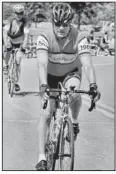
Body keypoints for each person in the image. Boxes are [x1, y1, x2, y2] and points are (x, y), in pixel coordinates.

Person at [35, 3, 101, 170]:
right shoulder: (44, 37)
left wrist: (93, 85)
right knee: (46, 113)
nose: (62, 28)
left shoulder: (80, 37)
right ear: (53, 23)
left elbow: (87, 65)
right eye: (58, 24)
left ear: (70, 23)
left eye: (66, 24)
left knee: (74, 92)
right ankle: (42, 157)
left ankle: (75, 122)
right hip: (50, 75)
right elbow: (41, 65)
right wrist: (43, 85)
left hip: (71, 73)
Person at [3, 4, 29, 91]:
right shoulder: (10, 21)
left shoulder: (25, 22)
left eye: (20, 13)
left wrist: (24, 46)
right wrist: (6, 43)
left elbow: (26, 35)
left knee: (18, 62)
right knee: (7, 52)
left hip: (19, 43)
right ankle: (6, 66)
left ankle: (16, 82)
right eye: (17, 13)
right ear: (14, 14)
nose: (19, 15)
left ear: (23, 13)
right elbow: (5, 33)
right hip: (10, 41)